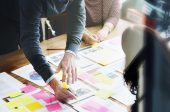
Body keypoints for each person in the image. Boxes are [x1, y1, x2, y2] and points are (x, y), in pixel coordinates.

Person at [20, 0, 86, 102]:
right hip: (8, 16)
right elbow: (30, 40)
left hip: (32, 12)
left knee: (36, 51)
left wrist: (70, 53)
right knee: (8, 61)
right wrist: (55, 83)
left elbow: (78, 21)